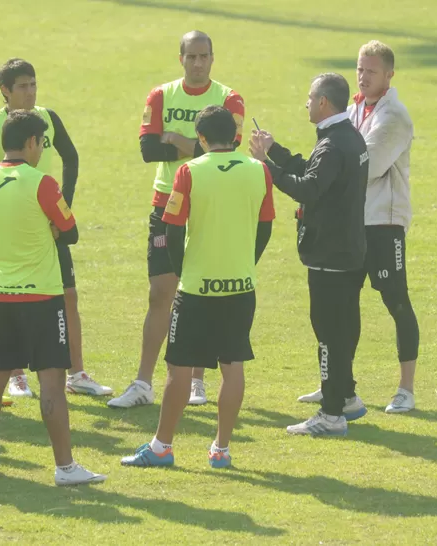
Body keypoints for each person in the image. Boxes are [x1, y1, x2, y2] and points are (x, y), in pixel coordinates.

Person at [0, 58, 111, 399]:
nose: (30, 91)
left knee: (68, 295)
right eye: (22, 85)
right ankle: (16, 375)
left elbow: (72, 156)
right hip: (14, 229)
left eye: (33, 83)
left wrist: (64, 204)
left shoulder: (47, 119)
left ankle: (76, 372)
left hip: (48, 225)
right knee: (13, 295)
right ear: (5, 90)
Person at [121, 106, 274, 469]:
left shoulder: (190, 171)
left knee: (179, 368)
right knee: (232, 364)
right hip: (241, 286)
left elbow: (173, 227)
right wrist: (246, 263)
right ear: (235, 137)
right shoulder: (260, 171)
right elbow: (265, 226)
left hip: (196, 288)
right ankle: (221, 449)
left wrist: (181, 268)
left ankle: (162, 447)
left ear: (201, 139)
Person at [108, 30, 245, 409]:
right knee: (160, 293)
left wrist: (175, 138)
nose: (198, 63)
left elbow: (229, 148)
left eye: (204, 56)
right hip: (166, 205)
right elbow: (148, 150)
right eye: (191, 57)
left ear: (212, 59)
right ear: (180, 58)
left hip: (208, 205)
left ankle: (197, 382)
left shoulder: (229, 98)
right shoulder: (161, 95)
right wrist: (196, 145)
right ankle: (142, 383)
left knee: (201, 293)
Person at [0, 110, 106, 485]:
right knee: (51, 383)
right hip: (43, 299)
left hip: (1, 294)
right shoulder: (42, 182)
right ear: (32, 142)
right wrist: (50, 226)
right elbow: (71, 231)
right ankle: (65, 468)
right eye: (42, 142)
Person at [296, 41, 418, 413]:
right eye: (360, 69)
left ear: (389, 75)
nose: (363, 77)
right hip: (352, 222)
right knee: (341, 305)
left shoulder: (394, 116)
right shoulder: (351, 110)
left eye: (372, 71)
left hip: (383, 222)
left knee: (396, 301)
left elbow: (365, 167)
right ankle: (337, 385)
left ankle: (406, 389)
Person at [250, 73, 369, 437]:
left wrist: (265, 167)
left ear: (322, 103)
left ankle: (331, 413)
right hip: (350, 249)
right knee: (345, 326)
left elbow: (309, 189)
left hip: (330, 252)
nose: (305, 103)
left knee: (329, 330)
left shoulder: (333, 144)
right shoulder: (347, 137)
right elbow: (316, 172)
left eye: (309, 97)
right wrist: (275, 150)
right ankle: (344, 394)